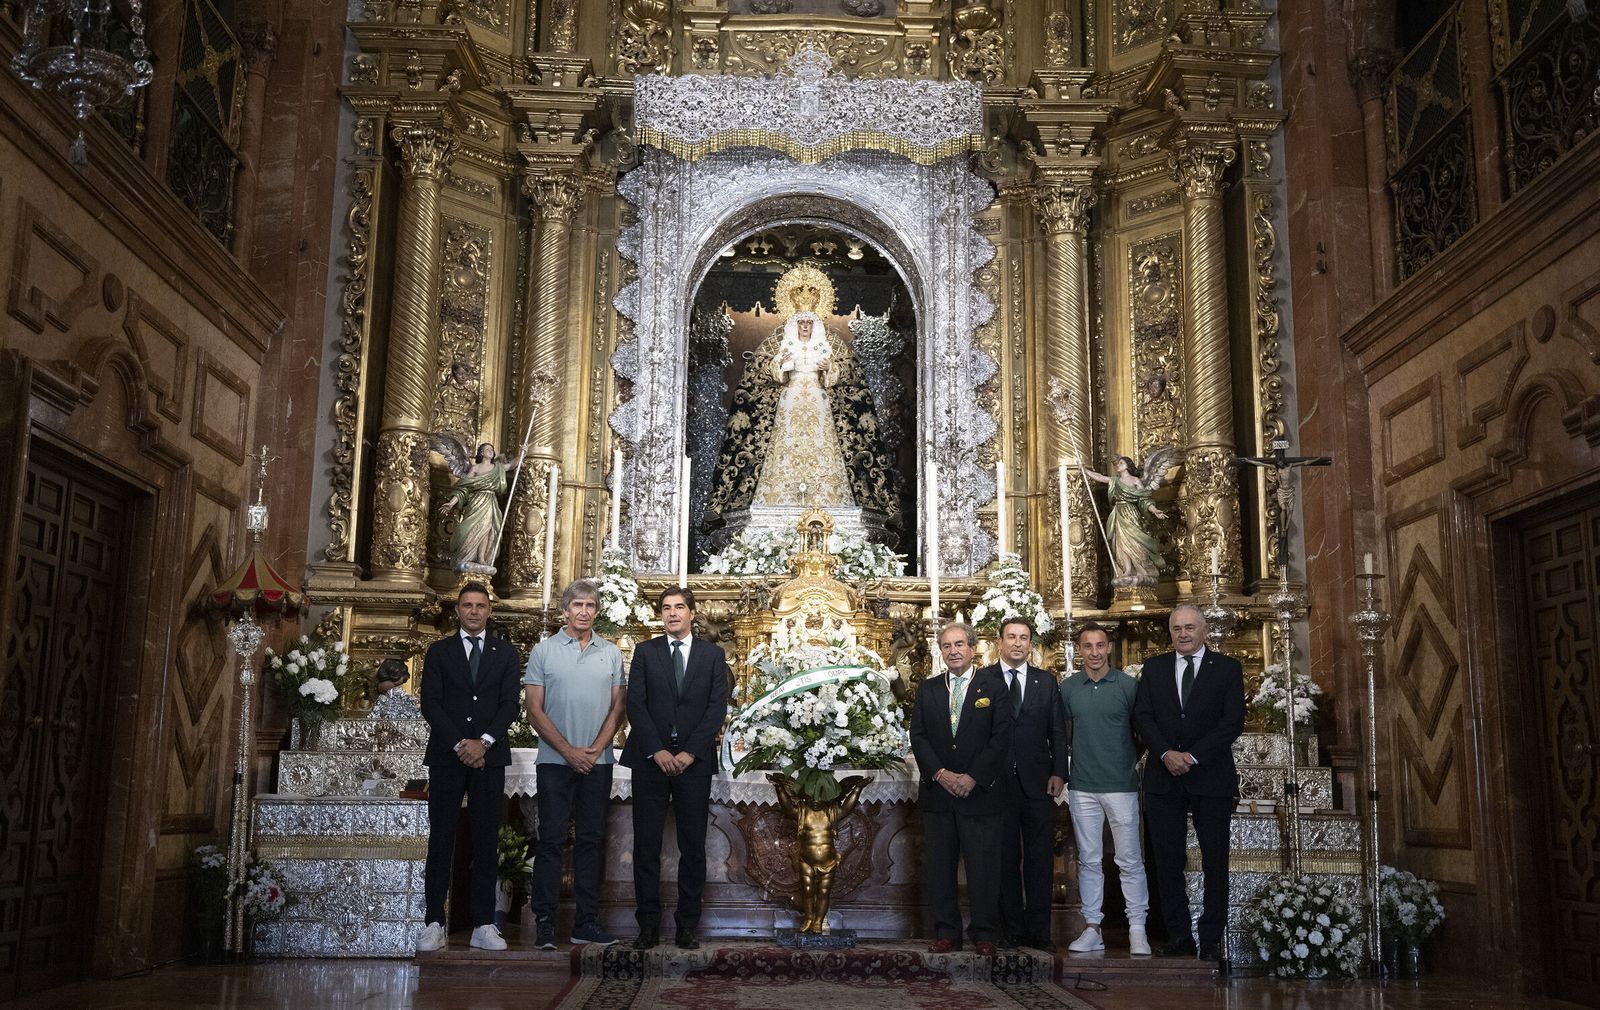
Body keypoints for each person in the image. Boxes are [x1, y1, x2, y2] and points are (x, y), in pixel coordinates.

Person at [620, 587, 730, 950]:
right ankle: (648, 926)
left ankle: (687, 926)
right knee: (647, 847)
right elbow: (635, 704)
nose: (672, 614)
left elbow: (716, 708)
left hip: (693, 764)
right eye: (666, 609)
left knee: (692, 846)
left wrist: (690, 753)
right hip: (651, 761)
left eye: (679, 608)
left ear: (692, 613)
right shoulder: (645, 652)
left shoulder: (712, 655)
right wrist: (657, 750)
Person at [1133, 604, 1245, 961]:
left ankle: (1211, 936)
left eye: (1190, 627)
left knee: (1215, 859)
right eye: (1177, 628)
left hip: (1210, 777)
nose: (1183, 634)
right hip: (1163, 779)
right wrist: (1165, 752)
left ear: (1204, 630)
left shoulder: (1227, 668)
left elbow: (1232, 723)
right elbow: (1143, 717)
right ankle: (1179, 935)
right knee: (1166, 861)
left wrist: (1192, 756)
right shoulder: (1154, 668)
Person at [417, 582, 522, 952]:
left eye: (480, 605)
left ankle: (482, 924)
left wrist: (485, 742)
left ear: (489, 611)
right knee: (441, 837)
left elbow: (511, 704)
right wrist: (461, 743)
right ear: (457, 610)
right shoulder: (440, 651)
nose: (474, 611)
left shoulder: (506, 653)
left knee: (485, 838)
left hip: (489, 758)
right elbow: (430, 703)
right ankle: (433, 921)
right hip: (448, 756)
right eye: (467, 605)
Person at [523, 579, 626, 950]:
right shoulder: (544, 651)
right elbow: (534, 710)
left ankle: (586, 922)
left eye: (590, 606)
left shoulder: (611, 652)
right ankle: (546, 923)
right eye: (577, 605)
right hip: (554, 761)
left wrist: (596, 749)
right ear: (565, 610)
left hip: (597, 763)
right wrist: (568, 751)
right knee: (550, 840)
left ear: (597, 611)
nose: (584, 612)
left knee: (591, 841)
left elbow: (619, 707)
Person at [909, 622, 1013, 956]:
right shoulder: (928, 689)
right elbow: (919, 735)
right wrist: (940, 773)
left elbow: (1001, 738)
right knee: (940, 867)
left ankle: (984, 933)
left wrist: (972, 777)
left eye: (959, 645)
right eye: (946, 646)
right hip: (940, 794)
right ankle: (946, 932)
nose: (953, 651)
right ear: (941, 651)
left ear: (972, 648)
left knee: (983, 868)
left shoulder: (993, 687)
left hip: (979, 793)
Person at [1059, 623, 1151, 956]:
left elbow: (1142, 734)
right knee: (1089, 860)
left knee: (1130, 860)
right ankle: (1092, 927)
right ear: (1079, 650)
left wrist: (1124, 764)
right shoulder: (1069, 688)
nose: (1094, 652)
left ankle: (1137, 929)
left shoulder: (1128, 686)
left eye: (1100, 646)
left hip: (1121, 786)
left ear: (1109, 648)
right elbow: (1063, 735)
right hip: (1082, 787)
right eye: (1088, 646)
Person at [980, 618, 1068, 951]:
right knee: (1003, 859)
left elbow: (1057, 731)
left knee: (1040, 859)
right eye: (1012, 637)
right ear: (999, 642)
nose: (1018, 643)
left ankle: (1039, 930)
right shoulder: (983, 679)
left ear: (1031, 644)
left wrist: (1059, 772)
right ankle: (1012, 929)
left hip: (1038, 784)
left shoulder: (1046, 682)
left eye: (1024, 638)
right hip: (996, 783)